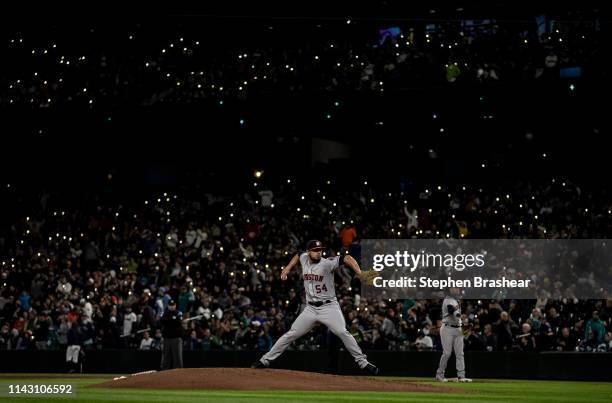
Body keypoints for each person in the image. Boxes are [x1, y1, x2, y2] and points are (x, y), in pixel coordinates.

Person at [252, 240, 379, 375]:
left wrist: (359, 272)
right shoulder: (304, 258)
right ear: (309, 252)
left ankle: (363, 363)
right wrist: (288, 268)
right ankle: (264, 360)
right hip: (311, 309)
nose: (319, 253)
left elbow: (347, 258)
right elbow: (297, 255)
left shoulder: (327, 263)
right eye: (316, 250)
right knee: (291, 334)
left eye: (320, 250)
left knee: (342, 332)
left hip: (329, 307)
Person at [435, 288, 472, 382]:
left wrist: (463, 323)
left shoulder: (457, 300)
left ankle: (461, 376)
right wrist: (461, 317)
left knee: (460, 353)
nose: (456, 289)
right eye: (454, 288)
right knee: (447, 353)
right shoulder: (448, 300)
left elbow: (457, 315)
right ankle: (439, 374)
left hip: (458, 328)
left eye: (457, 288)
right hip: (447, 328)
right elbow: (452, 311)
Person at [160, 300, 183, 369]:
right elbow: (162, 321)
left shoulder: (179, 313)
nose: (172, 307)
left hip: (176, 338)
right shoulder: (164, 312)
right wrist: (173, 320)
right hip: (166, 338)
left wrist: (169, 321)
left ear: (175, 305)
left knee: (177, 357)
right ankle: (164, 373)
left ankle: (179, 373)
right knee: (166, 357)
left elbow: (178, 322)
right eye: (170, 305)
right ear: (168, 306)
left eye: (173, 305)